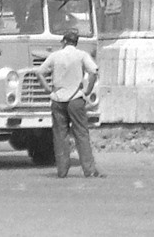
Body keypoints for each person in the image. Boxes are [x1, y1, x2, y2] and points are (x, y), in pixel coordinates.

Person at [38, 30, 104, 178]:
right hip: (76, 99)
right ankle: (89, 170)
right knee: (81, 134)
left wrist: (47, 88)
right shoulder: (81, 55)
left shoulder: (55, 56)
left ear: (64, 41)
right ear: (76, 42)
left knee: (60, 136)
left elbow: (40, 72)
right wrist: (88, 89)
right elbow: (93, 71)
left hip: (57, 99)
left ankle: (62, 170)